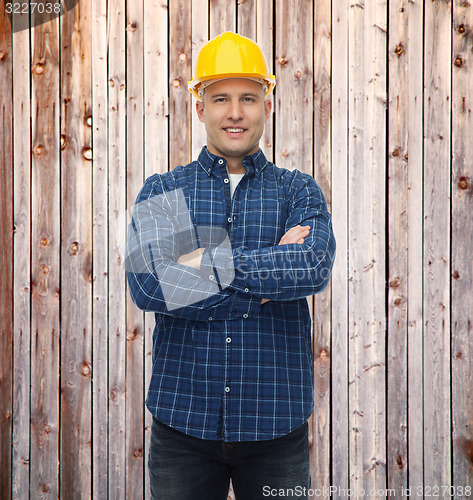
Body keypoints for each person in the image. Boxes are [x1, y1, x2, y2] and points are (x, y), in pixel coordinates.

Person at [125, 31, 336, 500]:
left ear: (267, 105)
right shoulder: (166, 191)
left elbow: (311, 266)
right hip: (182, 429)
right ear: (200, 107)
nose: (235, 112)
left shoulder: (297, 190)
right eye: (220, 98)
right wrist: (265, 277)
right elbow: (150, 285)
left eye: (248, 98)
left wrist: (195, 270)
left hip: (275, 428)